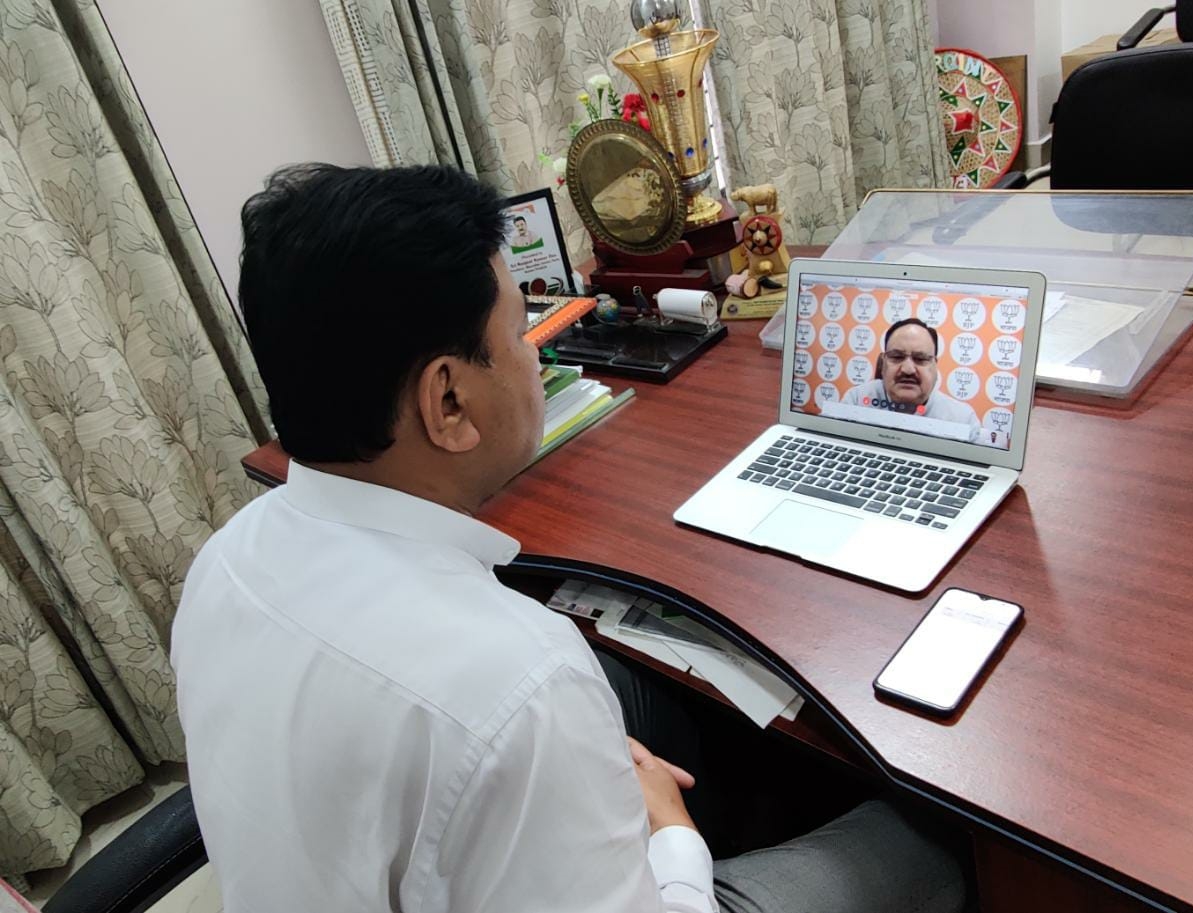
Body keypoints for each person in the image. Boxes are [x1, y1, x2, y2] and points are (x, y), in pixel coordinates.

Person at [172, 164, 966, 913]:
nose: (537, 351)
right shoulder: (522, 683)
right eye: (521, 333)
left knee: (636, 690)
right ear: (447, 400)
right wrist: (674, 838)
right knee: (935, 839)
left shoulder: (225, 563)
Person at [842, 318, 983, 441]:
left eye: (920, 359)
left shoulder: (962, 419)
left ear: (935, 367)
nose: (908, 369)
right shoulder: (856, 399)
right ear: (883, 364)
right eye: (896, 357)